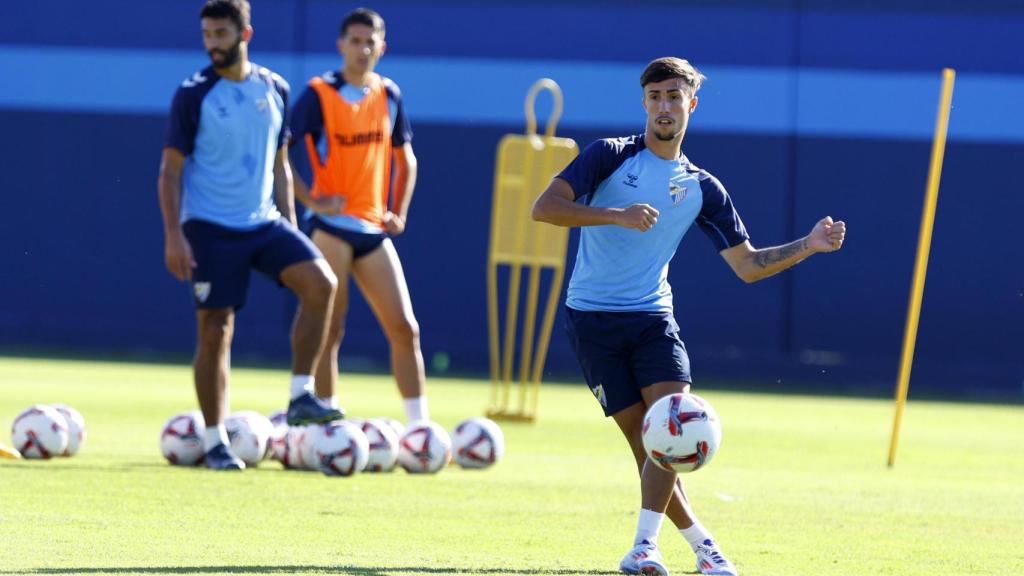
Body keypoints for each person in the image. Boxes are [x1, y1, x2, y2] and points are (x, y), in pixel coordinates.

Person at [532, 57, 846, 576]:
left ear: (690, 105)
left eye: (674, 96)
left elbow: (747, 265)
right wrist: (617, 215)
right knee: (646, 444)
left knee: (669, 423)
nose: (664, 106)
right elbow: (545, 208)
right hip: (591, 319)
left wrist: (809, 246)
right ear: (644, 103)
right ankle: (704, 546)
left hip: (653, 317)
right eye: (655, 96)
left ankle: (644, 549)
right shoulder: (608, 156)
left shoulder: (702, 187)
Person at [158, 0, 344, 471]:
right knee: (216, 329)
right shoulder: (193, 94)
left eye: (221, 34)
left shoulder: (275, 88)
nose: (212, 44)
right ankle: (215, 439)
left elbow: (281, 165)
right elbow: (169, 172)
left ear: (246, 34)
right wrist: (174, 236)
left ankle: (302, 393)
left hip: (263, 223)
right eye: (207, 35)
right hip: (209, 229)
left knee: (321, 283)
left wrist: (291, 225)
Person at [288, 8, 428, 424]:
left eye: (371, 42)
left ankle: (419, 429)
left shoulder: (389, 94)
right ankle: (325, 419)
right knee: (330, 329)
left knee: (405, 328)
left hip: (372, 227)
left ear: (382, 47)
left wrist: (397, 211)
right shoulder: (318, 93)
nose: (363, 49)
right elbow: (280, 153)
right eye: (355, 40)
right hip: (331, 228)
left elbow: (408, 161)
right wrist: (312, 203)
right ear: (341, 45)